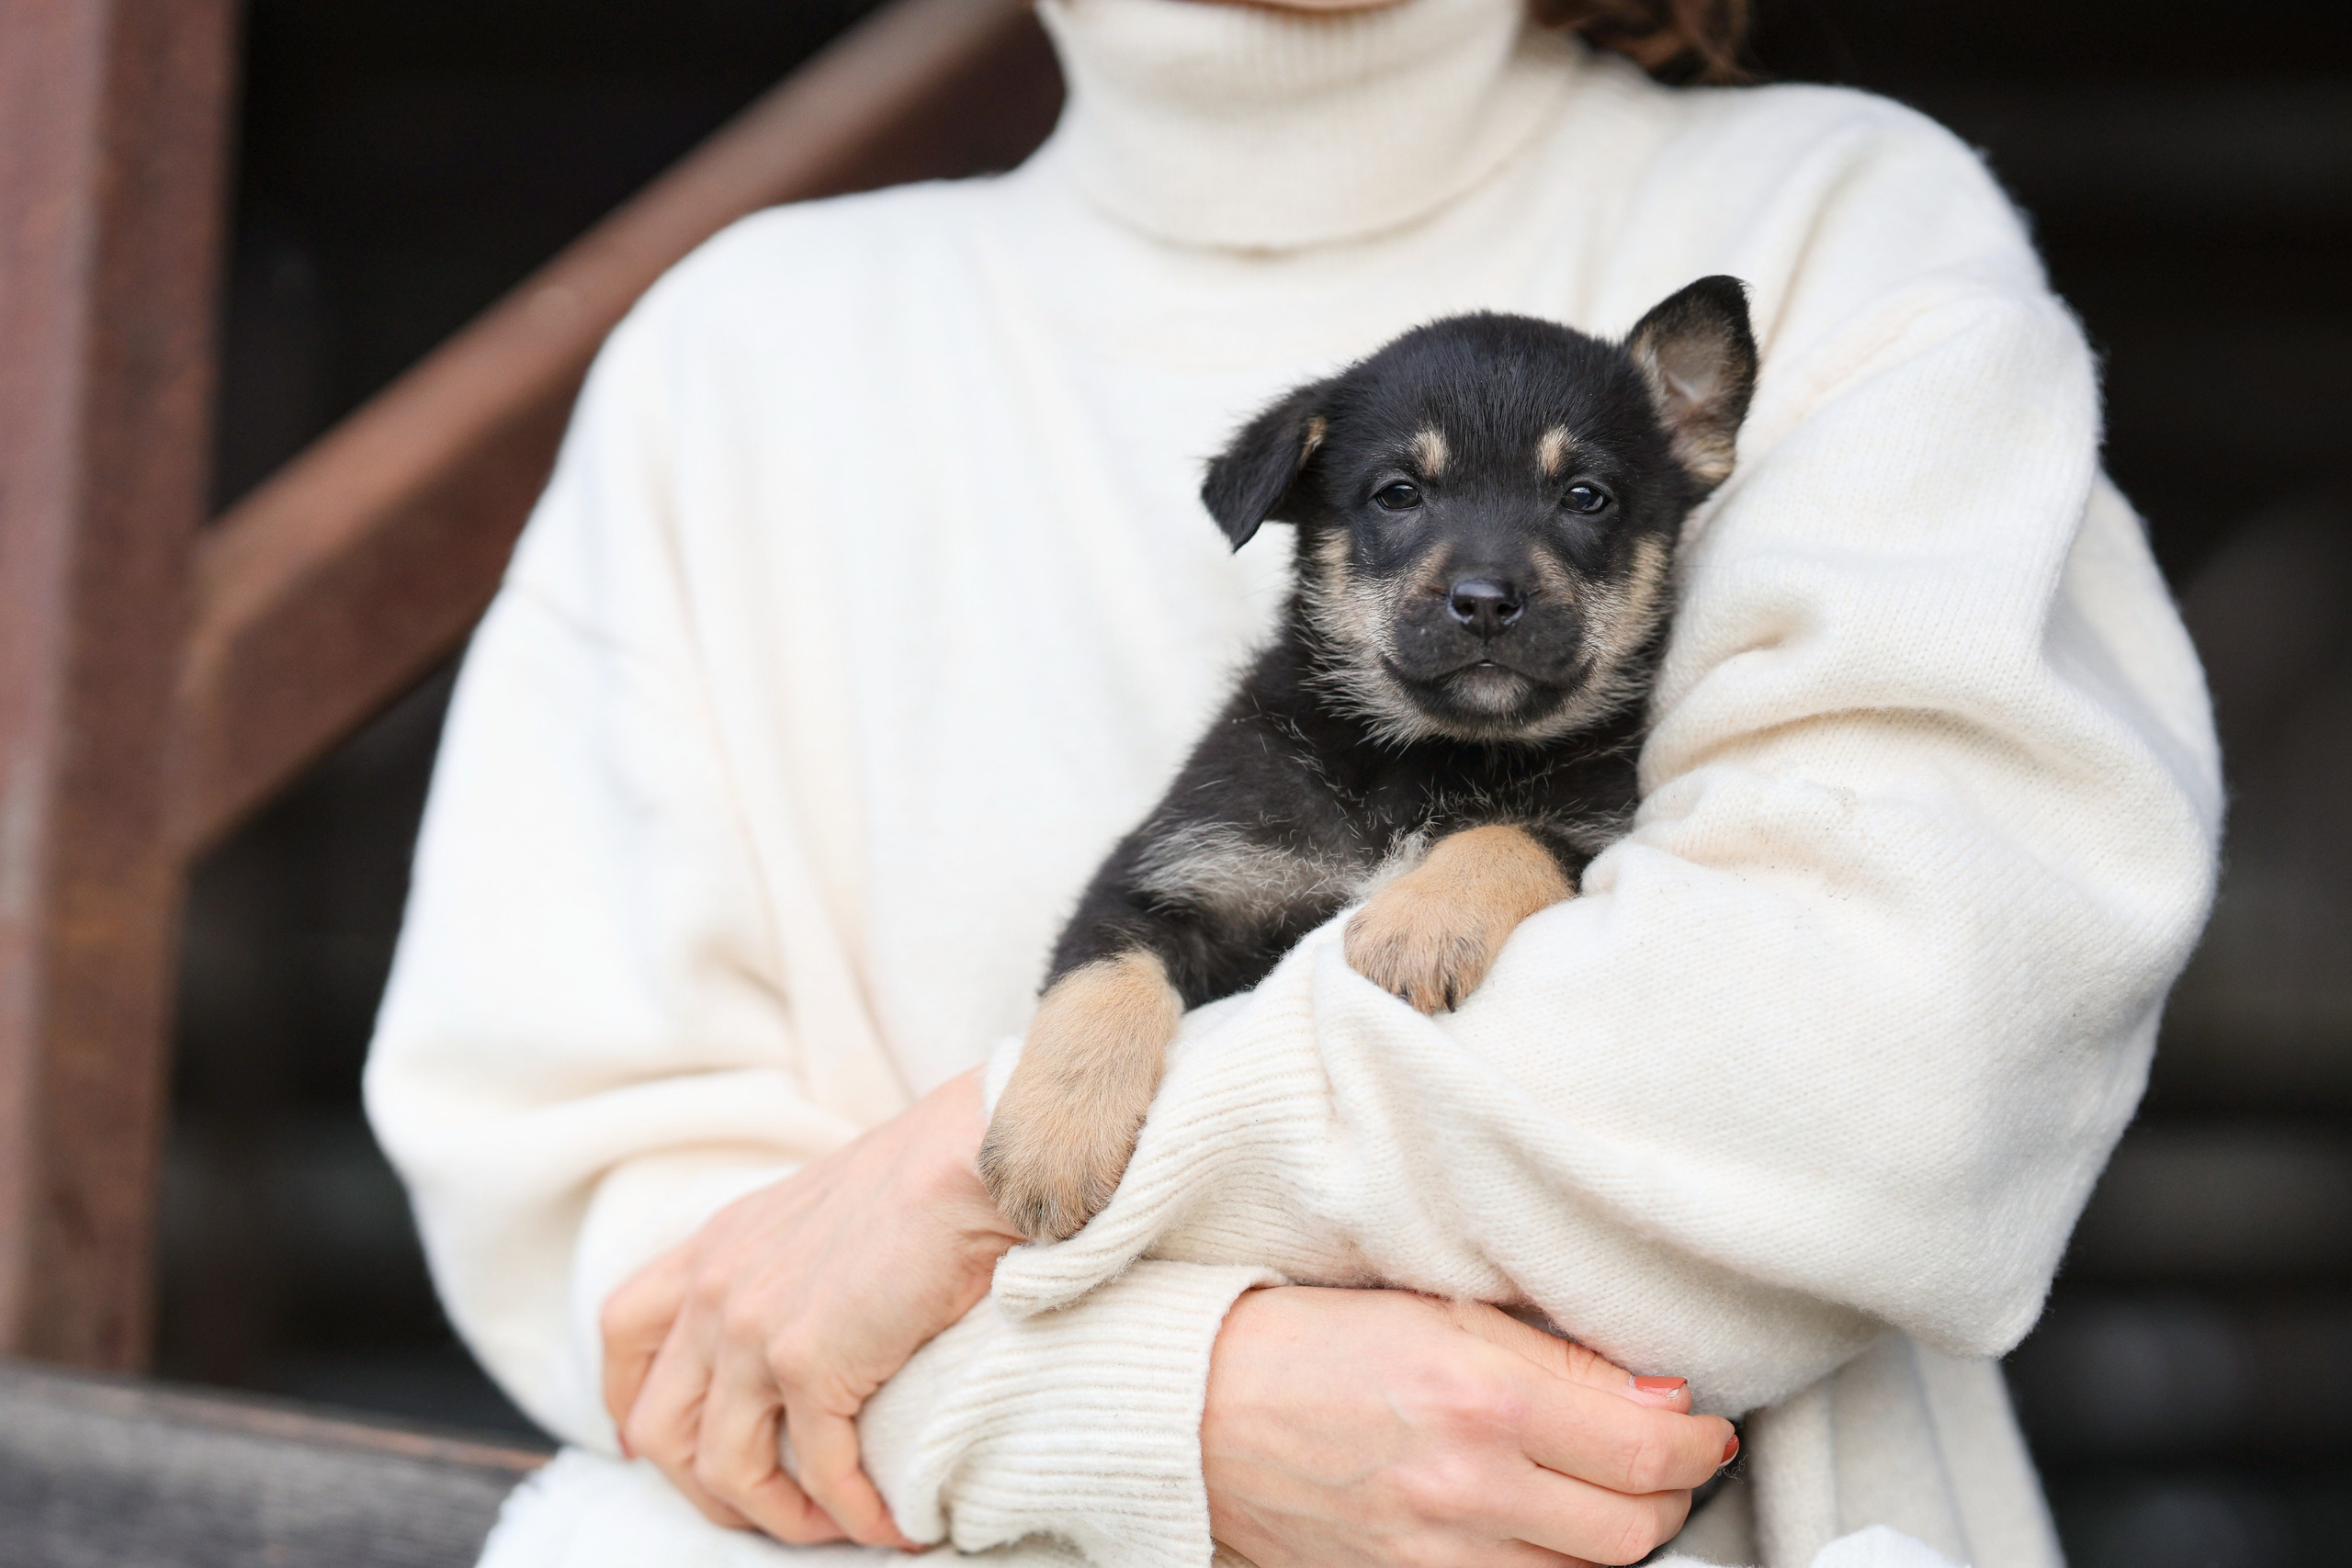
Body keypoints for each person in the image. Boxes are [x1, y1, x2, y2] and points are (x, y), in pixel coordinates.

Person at [364, 0, 2222, 1562]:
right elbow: (597, 1224)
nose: (1484, 574)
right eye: (1404, 507)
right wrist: (1146, 1399)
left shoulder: (1830, 224)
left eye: (1571, 508)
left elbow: (1885, 1053)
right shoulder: (738, 363)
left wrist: (957, 1182)